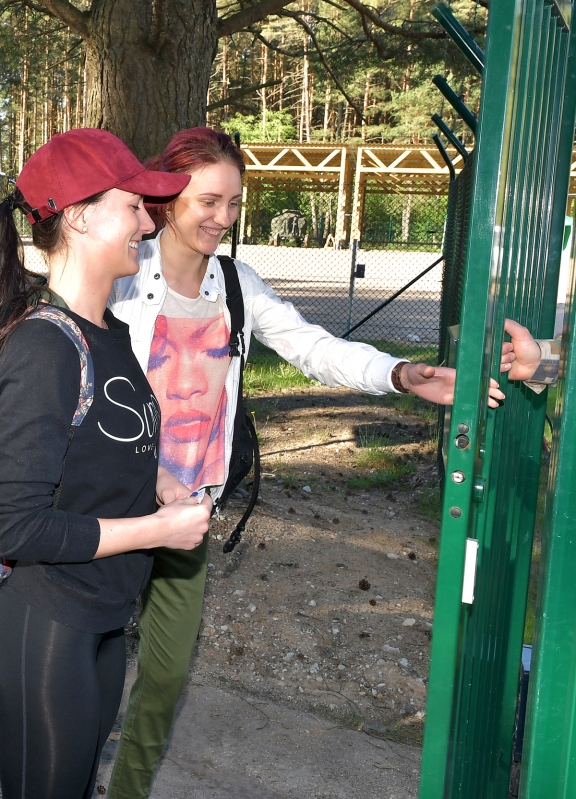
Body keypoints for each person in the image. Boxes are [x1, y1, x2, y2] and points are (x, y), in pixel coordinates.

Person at [104, 126, 528, 799]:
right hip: (112, 503)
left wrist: (403, 374)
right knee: (91, 669)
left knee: (165, 675)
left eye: (234, 203)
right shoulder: (123, 277)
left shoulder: (236, 285)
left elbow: (314, 347)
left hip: (187, 514)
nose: (223, 218)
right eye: (208, 201)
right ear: (167, 196)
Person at [0, 128, 213, 799]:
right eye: (134, 206)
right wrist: (157, 531)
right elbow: (22, 527)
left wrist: (159, 482)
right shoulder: (44, 346)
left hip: (102, 620)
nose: (149, 223)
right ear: (81, 216)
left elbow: (94, 448)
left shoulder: (106, 333)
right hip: (47, 627)